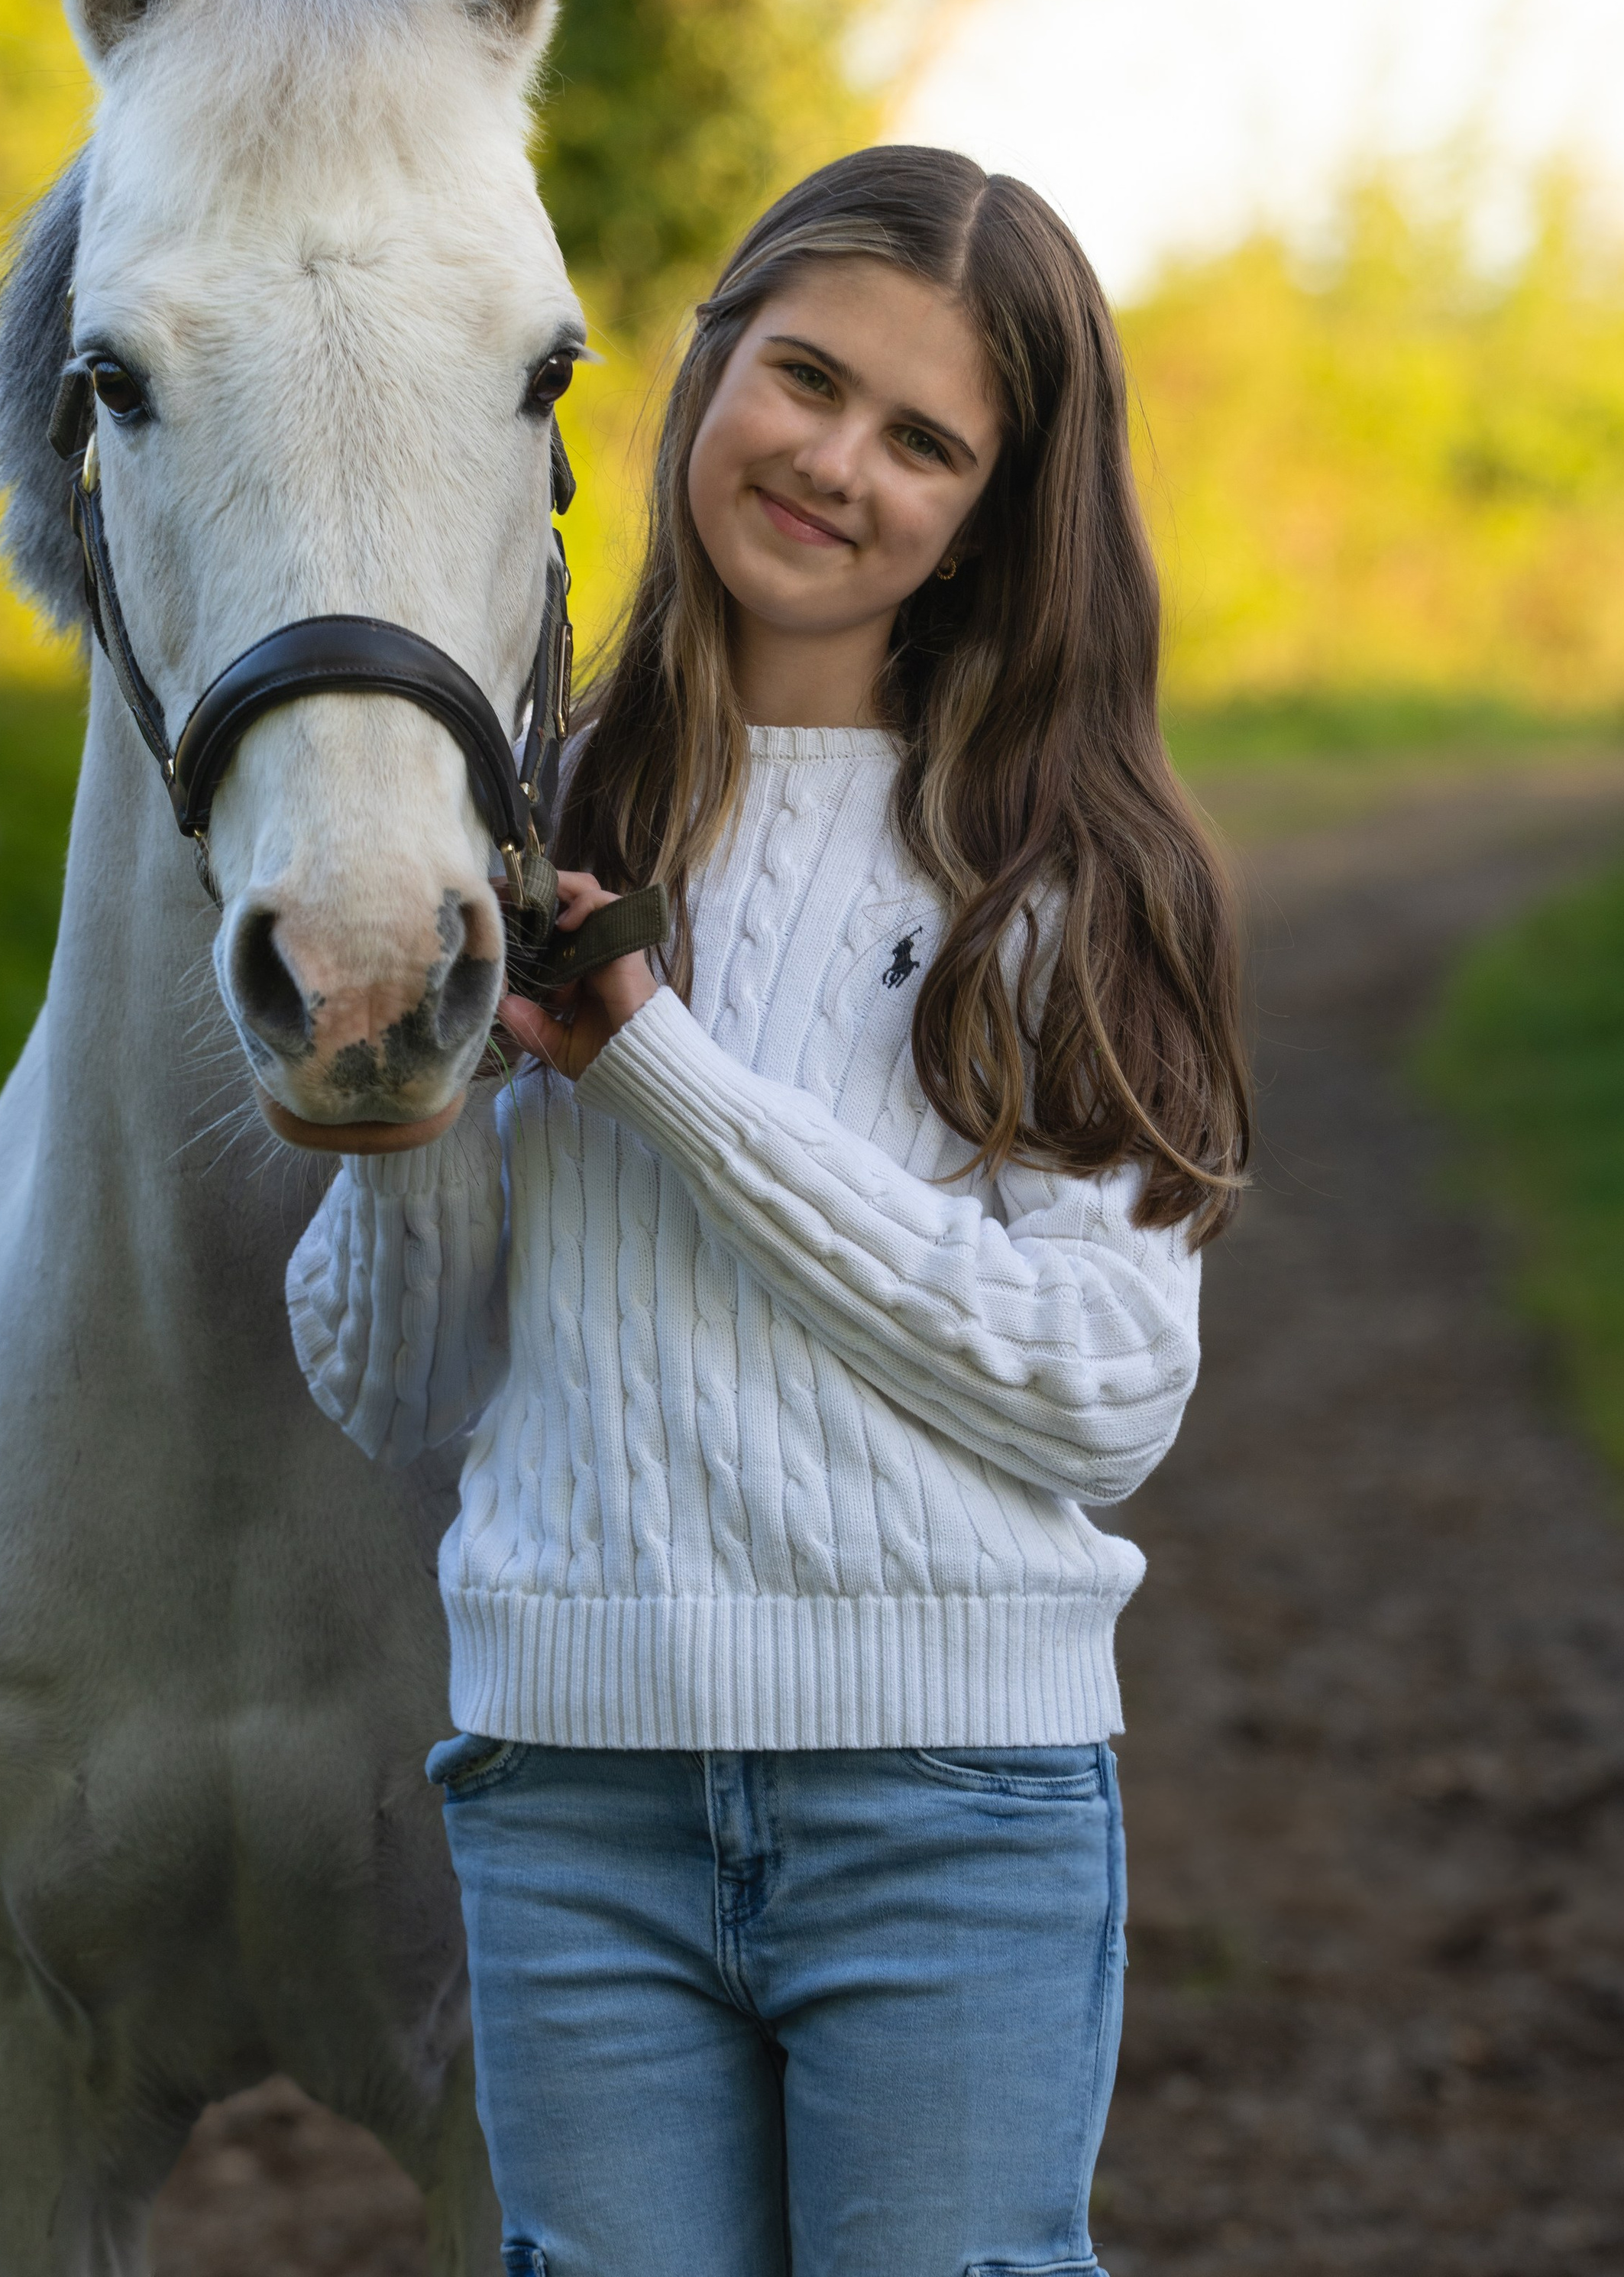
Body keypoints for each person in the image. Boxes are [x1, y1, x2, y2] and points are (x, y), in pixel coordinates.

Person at [285, 146, 1250, 2277]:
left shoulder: (1060, 866)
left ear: (996, 512)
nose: (834, 461)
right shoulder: (505, 814)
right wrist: (413, 1079)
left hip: (951, 1803)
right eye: (802, 376)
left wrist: (652, 1057)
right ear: (706, 365)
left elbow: (1100, 1390)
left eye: (924, 439)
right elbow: (391, 1379)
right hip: (572, 1785)